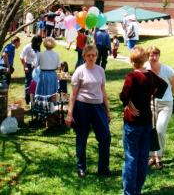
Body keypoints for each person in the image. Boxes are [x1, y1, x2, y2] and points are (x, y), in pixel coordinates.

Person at [120, 46, 167, 195]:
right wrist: (153, 94)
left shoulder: (132, 76)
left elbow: (123, 96)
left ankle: (129, 192)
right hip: (147, 121)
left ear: (131, 61)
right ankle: (137, 190)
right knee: (141, 158)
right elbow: (164, 86)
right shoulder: (151, 76)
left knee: (131, 158)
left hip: (133, 123)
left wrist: (129, 105)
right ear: (145, 59)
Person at [65, 45, 111, 178]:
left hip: (98, 107)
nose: (91, 57)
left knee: (105, 137)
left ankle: (103, 168)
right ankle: (81, 168)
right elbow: (73, 95)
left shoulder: (100, 70)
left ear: (97, 55)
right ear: (84, 56)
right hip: (82, 107)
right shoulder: (79, 71)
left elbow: (103, 91)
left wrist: (107, 110)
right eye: (88, 55)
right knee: (82, 137)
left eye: (93, 55)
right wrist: (69, 114)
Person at [145, 46, 174, 170]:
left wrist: (168, 96)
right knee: (151, 129)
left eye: (155, 54)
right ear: (147, 56)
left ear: (159, 55)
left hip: (166, 104)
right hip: (151, 104)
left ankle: (159, 156)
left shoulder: (167, 70)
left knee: (160, 129)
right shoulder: (146, 69)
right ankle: (151, 156)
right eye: (150, 55)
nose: (153, 57)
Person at [35, 37, 60, 102]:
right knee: (52, 92)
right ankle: (52, 106)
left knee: (43, 91)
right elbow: (58, 67)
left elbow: (35, 65)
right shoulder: (57, 54)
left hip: (43, 74)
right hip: (52, 74)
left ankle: (41, 105)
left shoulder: (40, 54)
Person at [20, 35, 43, 104]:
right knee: (29, 83)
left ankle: (33, 99)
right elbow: (21, 56)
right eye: (38, 42)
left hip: (35, 68)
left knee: (34, 83)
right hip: (28, 66)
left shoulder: (37, 47)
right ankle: (28, 99)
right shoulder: (28, 46)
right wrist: (25, 66)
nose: (39, 44)